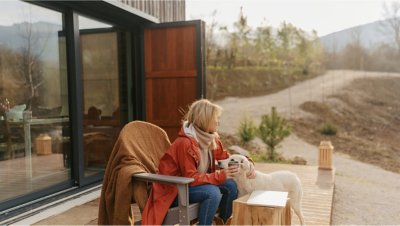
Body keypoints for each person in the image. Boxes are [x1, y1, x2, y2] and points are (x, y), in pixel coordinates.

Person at [142, 99, 256, 225]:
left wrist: (248, 163)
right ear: (205, 119)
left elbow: (226, 158)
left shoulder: (212, 139)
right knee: (212, 193)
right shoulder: (184, 144)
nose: (218, 122)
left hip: (193, 186)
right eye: (215, 118)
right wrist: (219, 175)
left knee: (231, 186)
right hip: (175, 190)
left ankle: (222, 222)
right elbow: (190, 178)